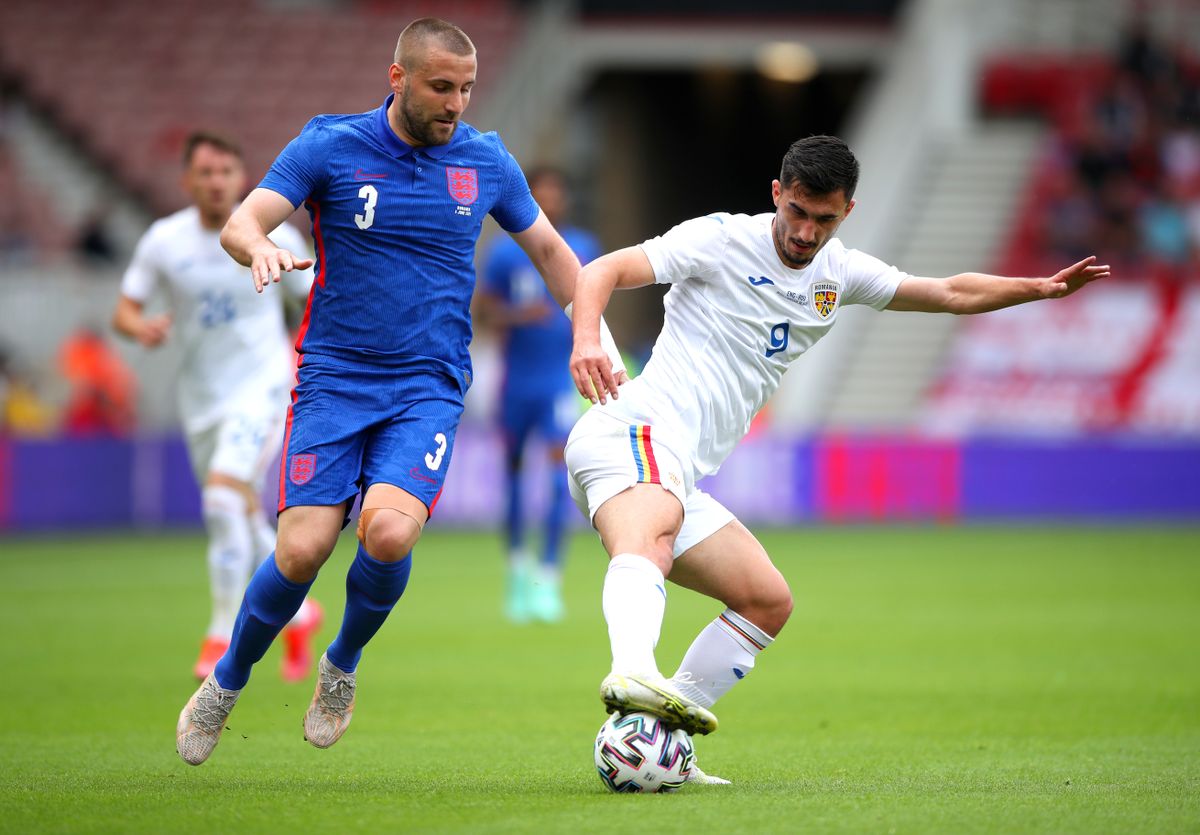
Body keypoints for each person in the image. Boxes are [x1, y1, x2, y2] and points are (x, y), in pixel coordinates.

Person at [565, 135, 1110, 783]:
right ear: (777, 192)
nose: (804, 230)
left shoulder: (839, 273)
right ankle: (632, 668)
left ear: (847, 210)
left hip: (674, 466)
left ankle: (659, 737)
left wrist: (1039, 290)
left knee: (764, 600)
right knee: (650, 536)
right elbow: (601, 270)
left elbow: (948, 293)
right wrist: (588, 339)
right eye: (796, 211)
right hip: (633, 429)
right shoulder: (719, 238)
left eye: (823, 219)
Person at [175, 18, 625, 766]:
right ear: (399, 78)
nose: (456, 103)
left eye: (467, 88)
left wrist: (589, 334)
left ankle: (342, 664)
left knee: (387, 533)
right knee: (301, 550)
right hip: (332, 378)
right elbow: (246, 219)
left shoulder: (485, 162)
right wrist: (257, 246)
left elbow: (549, 249)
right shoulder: (329, 144)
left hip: (428, 385)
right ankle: (226, 681)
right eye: (441, 87)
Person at [113, 131, 323, 684]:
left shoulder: (270, 231)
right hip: (201, 401)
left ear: (241, 177)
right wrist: (143, 328)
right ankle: (300, 611)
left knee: (222, 501)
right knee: (234, 509)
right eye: (204, 173)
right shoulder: (164, 241)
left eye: (226, 172)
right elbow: (124, 311)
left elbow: (316, 303)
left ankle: (221, 631)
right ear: (187, 181)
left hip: (263, 391)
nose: (215, 182)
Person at [476, 167, 602, 623]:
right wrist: (516, 314)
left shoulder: (583, 248)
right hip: (514, 385)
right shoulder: (504, 254)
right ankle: (516, 572)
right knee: (511, 481)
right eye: (540, 194)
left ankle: (548, 578)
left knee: (555, 481)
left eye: (555, 193)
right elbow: (483, 310)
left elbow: (597, 303)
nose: (548, 201)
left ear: (564, 199)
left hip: (556, 384)